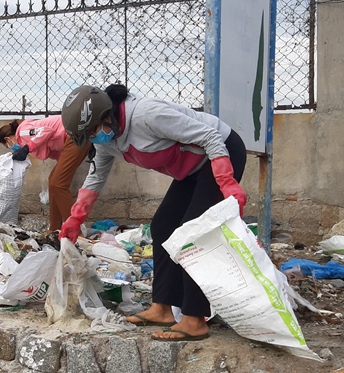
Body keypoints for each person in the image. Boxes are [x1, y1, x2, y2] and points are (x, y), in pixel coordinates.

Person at [59, 84, 247, 342]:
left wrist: (226, 181)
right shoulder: (107, 141)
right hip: (191, 169)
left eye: (93, 131)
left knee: (193, 232)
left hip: (220, 152)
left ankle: (194, 319)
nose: (94, 138)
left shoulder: (147, 115)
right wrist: (76, 218)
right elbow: (95, 179)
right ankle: (163, 308)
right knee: (163, 227)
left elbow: (210, 137)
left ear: (107, 116)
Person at [0, 116, 91, 231]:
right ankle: (54, 229)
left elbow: (46, 130)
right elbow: (56, 152)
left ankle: (74, 230)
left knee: (58, 184)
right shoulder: (26, 135)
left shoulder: (22, 132)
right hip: (73, 138)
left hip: (74, 136)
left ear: (7, 139)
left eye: (8, 146)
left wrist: (27, 148)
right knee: (53, 181)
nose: (12, 148)